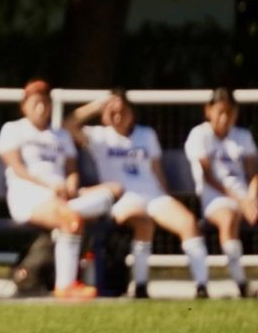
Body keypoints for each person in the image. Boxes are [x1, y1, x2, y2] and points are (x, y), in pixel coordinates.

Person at [65, 90, 210, 299]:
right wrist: (97, 105)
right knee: (143, 222)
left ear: (131, 112)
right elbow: (68, 125)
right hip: (124, 198)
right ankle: (141, 285)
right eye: (111, 112)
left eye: (121, 111)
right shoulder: (98, 137)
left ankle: (202, 287)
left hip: (153, 194)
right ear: (104, 115)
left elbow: (156, 169)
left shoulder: (146, 134)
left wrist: (167, 196)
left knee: (188, 222)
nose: (117, 116)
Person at [0, 79, 117, 299]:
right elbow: (18, 168)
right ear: (24, 106)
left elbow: (71, 169)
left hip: (62, 195)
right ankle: (66, 286)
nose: (41, 108)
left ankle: (67, 283)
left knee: (112, 191)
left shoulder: (60, 135)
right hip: (29, 194)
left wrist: (71, 183)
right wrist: (50, 185)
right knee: (71, 219)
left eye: (45, 102)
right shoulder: (12, 129)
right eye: (35, 103)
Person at [183, 87, 257, 297]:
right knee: (229, 217)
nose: (225, 118)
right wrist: (242, 201)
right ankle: (241, 283)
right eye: (220, 112)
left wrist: (251, 197)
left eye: (230, 113)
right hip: (215, 195)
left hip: (245, 196)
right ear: (209, 111)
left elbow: (253, 174)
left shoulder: (242, 136)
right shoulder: (200, 135)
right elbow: (209, 177)